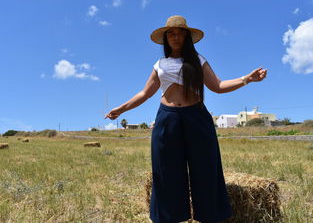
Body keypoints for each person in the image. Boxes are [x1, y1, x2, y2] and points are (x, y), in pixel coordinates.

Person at [104, 15, 268, 223]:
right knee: (166, 171)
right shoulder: (160, 64)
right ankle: (168, 218)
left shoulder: (198, 60)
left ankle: (210, 217)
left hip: (196, 118)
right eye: (171, 34)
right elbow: (144, 93)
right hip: (167, 119)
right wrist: (121, 109)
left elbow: (217, 86)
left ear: (187, 37)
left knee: (206, 169)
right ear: (166, 39)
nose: (176, 37)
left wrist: (247, 79)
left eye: (180, 34)